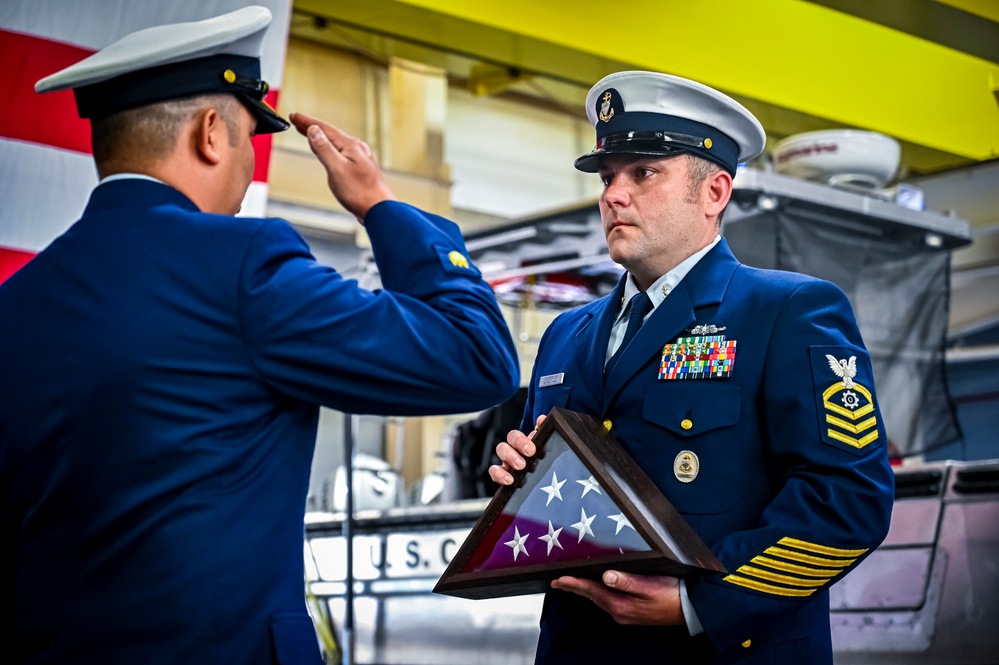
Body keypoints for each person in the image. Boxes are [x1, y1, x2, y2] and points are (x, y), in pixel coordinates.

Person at [0, 7, 518, 665]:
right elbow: (476, 357)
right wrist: (381, 206)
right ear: (212, 133)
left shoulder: (17, 303)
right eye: (251, 136)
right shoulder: (242, 266)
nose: (248, 166)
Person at [490, 70, 894, 664]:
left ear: (715, 193)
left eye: (643, 173)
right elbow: (555, 501)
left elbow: (848, 498)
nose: (612, 195)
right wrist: (516, 484)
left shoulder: (787, 311)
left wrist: (699, 602)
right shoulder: (563, 336)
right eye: (607, 177)